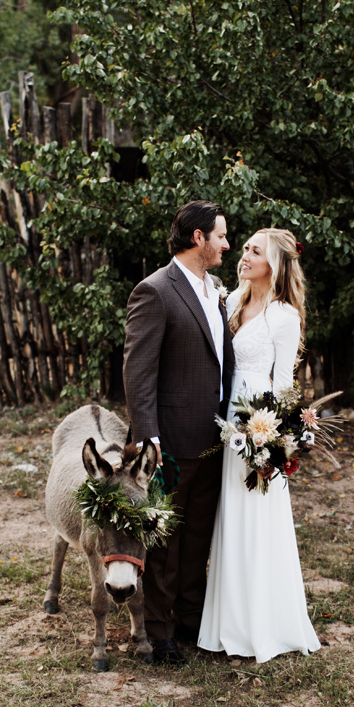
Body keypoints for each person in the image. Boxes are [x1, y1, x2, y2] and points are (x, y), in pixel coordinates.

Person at [198, 228, 322, 663]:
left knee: (255, 516)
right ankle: (226, 622)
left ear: (275, 264)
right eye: (245, 247)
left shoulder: (284, 316)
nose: (244, 255)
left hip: (258, 425)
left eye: (255, 251)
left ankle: (263, 625)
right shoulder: (231, 301)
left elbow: (286, 386)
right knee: (227, 517)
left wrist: (278, 444)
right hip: (225, 418)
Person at [123, 200, 235, 665]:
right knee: (163, 542)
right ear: (198, 239)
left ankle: (191, 619)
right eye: (222, 236)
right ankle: (160, 631)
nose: (227, 244)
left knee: (198, 536)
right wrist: (149, 437)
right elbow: (138, 372)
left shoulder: (217, 292)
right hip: (168, 441)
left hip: (214, 440)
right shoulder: (155, 291)